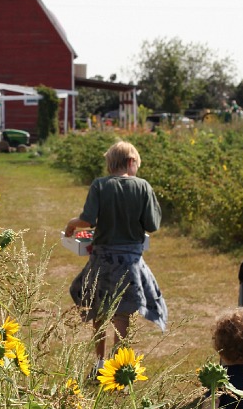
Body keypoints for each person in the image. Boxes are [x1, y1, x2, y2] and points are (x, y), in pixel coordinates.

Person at [65, 140, 167, 371]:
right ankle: (119, 368)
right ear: (131, 162)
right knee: (123, 314)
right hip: (130, 262)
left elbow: (87, 220)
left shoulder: (100, 185)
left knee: (99, 310)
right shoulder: (143, 187)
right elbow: (152, 225)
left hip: (102, 260)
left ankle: (100, 363)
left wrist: (71, 224)